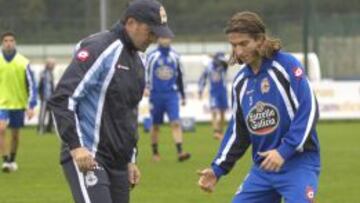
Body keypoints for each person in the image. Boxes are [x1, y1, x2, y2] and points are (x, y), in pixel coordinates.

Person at [47, 0, 174, 202]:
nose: (154, 38)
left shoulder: (140, 60)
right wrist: (77, 147)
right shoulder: (99, 48)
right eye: (151, 31)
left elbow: (129, 114)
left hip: (119, 164)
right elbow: (63, 98)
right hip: (89, 156)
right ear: (131, 23)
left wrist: (130, 160)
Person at [198, 11, 321, 203]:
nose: (238, 51)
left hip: (298, 163)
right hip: (263, 169)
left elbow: (309, 109)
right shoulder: (240, 82)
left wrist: (284, 151)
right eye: (233, 45)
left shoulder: (286, 65)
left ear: (260, 40)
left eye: (244, 44)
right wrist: (218, 169)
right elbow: (238, 132)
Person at [145, 37, 191, 162]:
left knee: (175, 122)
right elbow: (145, 72)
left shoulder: (175, 56)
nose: (165, 40)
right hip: (156, 95)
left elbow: (181, 76)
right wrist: (145, 87)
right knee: (155, 125)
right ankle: (155, 152)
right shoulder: (151, 56)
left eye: (167, 37)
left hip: (172, 94)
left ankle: (180, 151)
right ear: (158, 39)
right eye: (162, 37)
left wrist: (183, 95)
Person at [0, 31, 37, 172]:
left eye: (11, 40)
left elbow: (32, 85)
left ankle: (12, 159)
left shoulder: (23, 62)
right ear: (2, 43)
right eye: (6, 41)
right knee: (1, 129)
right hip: (2, 104)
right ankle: (5, 161)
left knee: (15, 135)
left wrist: (31, 106)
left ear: (15, 42)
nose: (9, 43)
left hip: (18, 104)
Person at [198, 52, 229, 140]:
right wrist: (200, 90)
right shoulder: (209, 67)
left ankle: (220, 131)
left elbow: (227, 63)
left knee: (223, 112)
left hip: (223, 91)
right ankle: (216, 131)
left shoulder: (223, 66)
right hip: (213, 92)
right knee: (214, 111)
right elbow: (203, 79)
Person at [38, 58, 56, 134]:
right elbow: (40, 86)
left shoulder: (51, 73)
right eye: (52, 64)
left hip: (51, 97)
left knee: (51, 114)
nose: (53, 66)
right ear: (48, 64)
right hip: (44, 97)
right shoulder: (43, 73)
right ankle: (40, 129)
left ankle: (49, 128)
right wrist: (41, 95)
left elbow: (52, 86)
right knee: (42, 114)